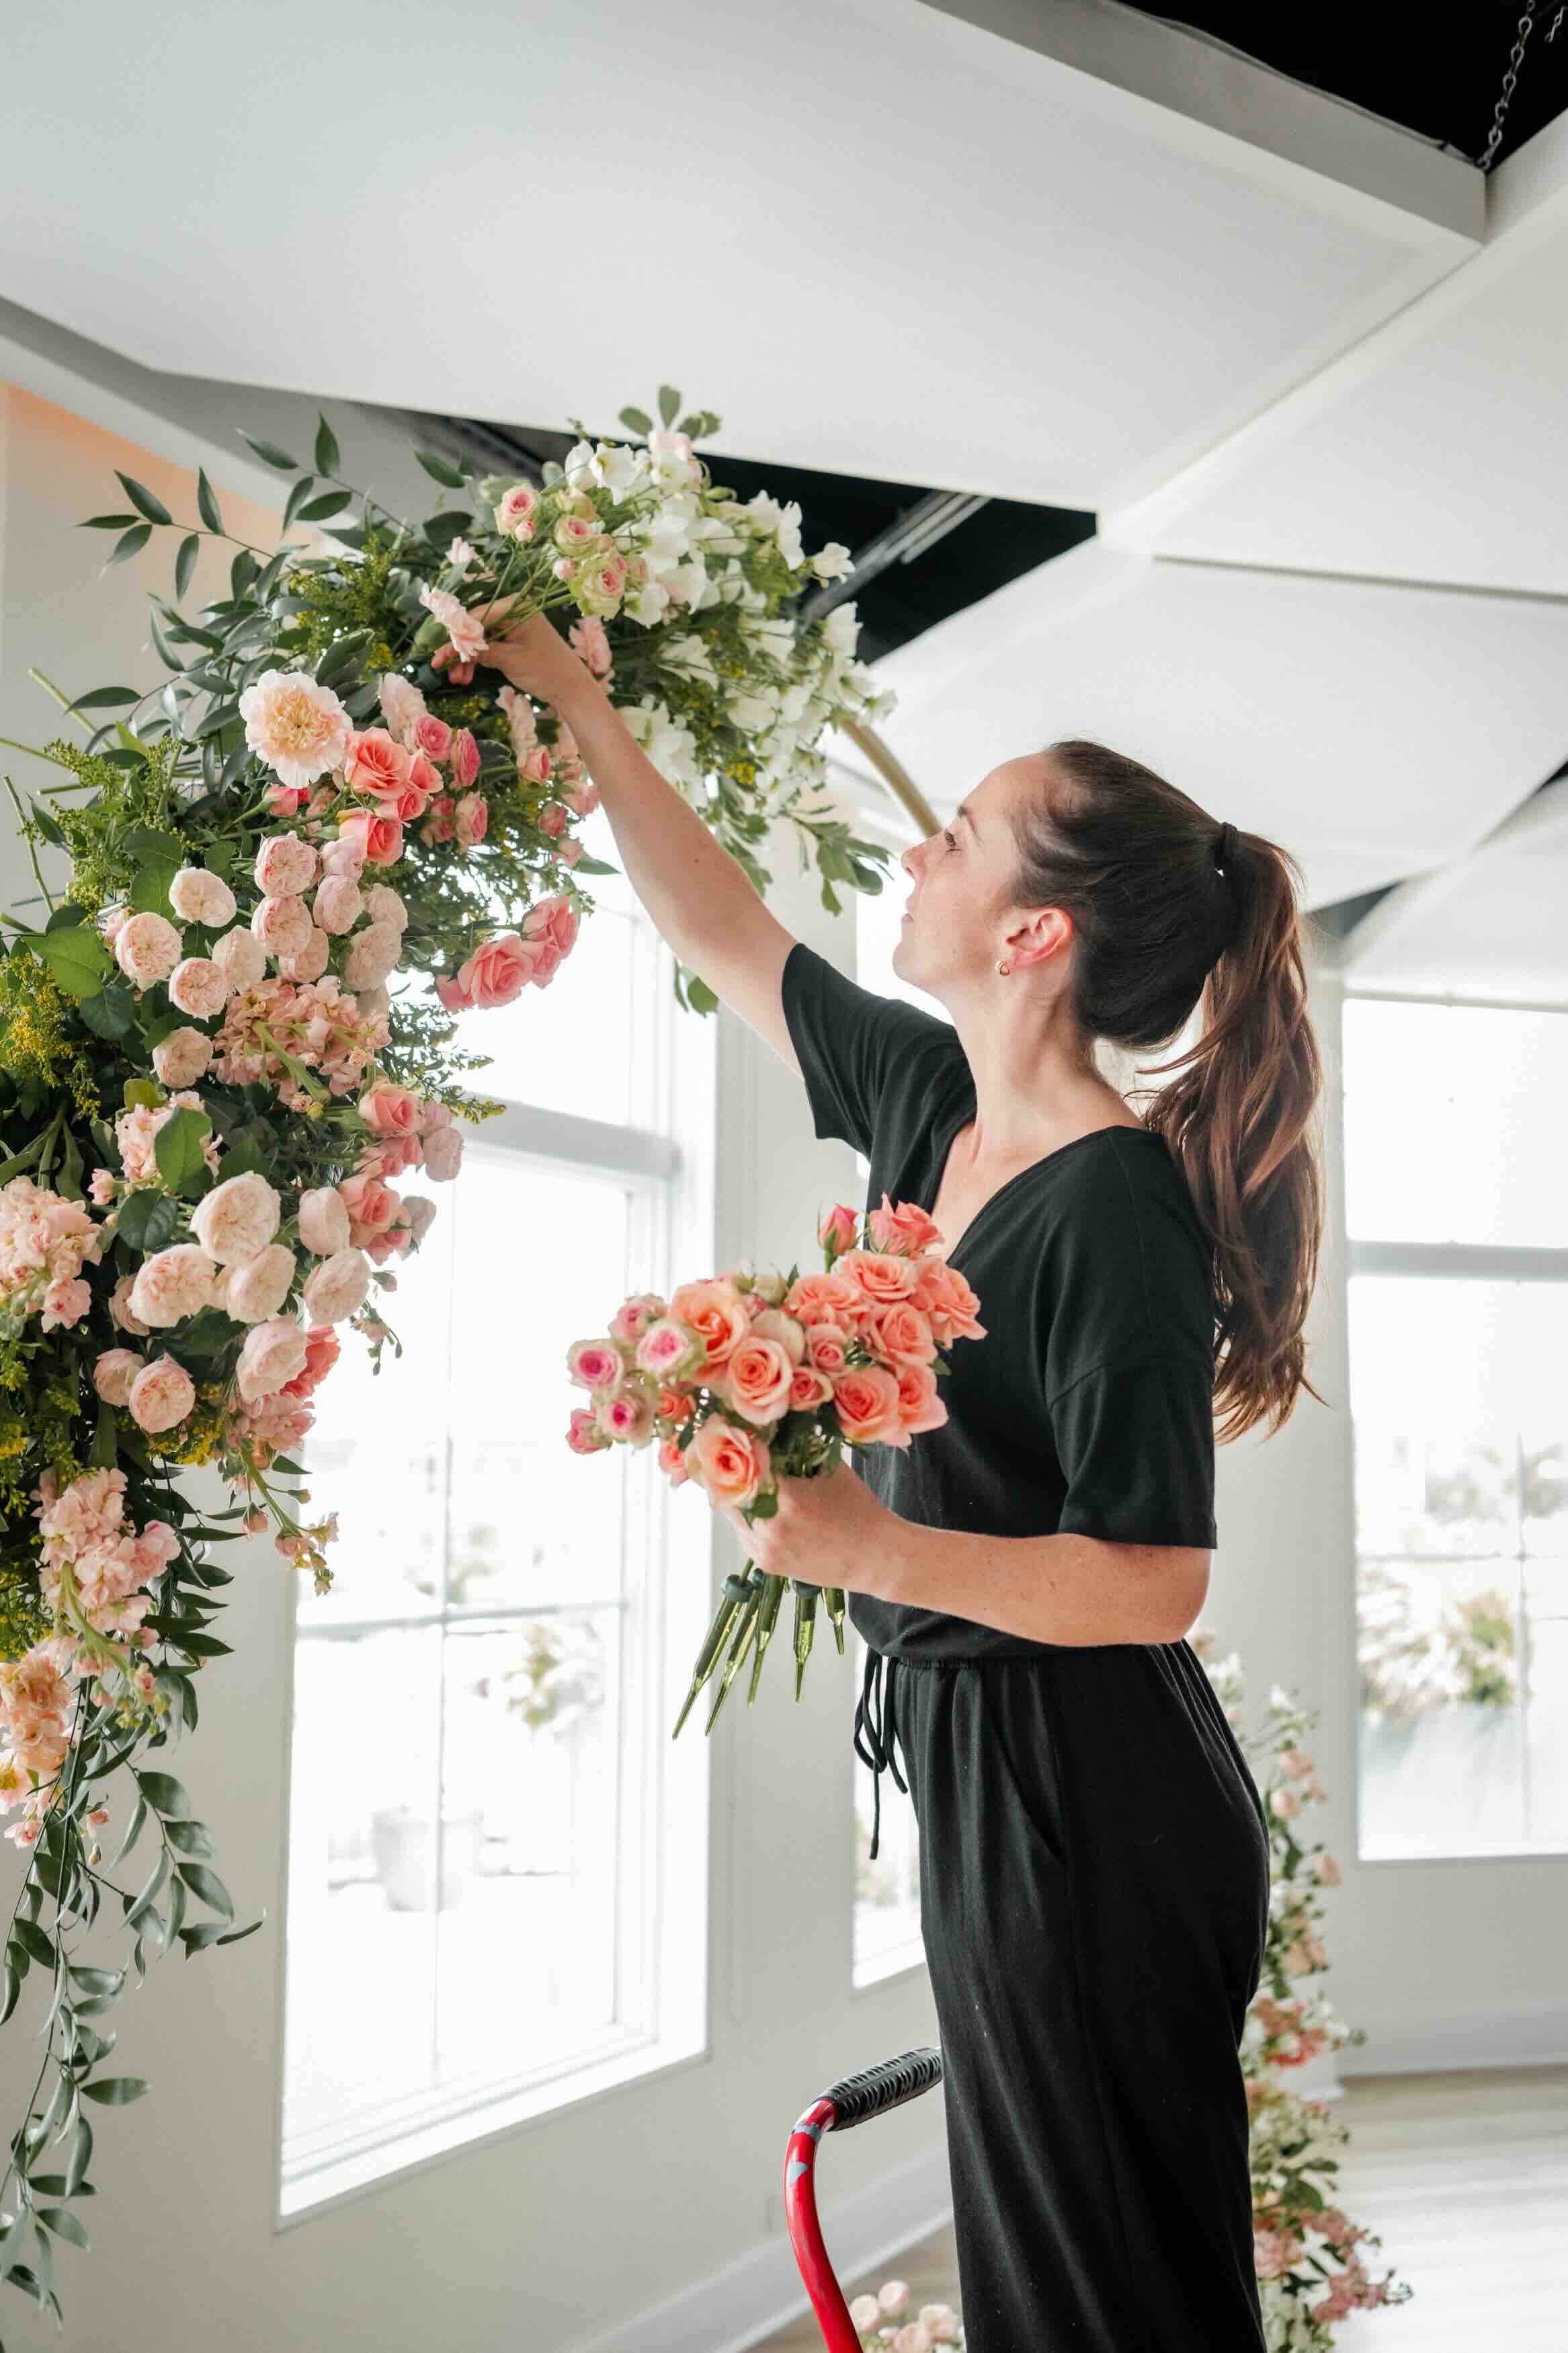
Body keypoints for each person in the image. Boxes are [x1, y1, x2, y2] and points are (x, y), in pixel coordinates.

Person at [479, 606, 1327, 2353]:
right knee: (1050, 2278)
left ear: (1032, 929)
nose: (917, 848)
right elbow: (724, 929)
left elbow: (1158, 1573)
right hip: (996, 1771)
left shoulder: (1115, 1209)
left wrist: (870, 1543)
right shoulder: (931, 1098)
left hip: (1090, 1799)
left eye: (959, 832)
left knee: (1112, 2301)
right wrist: (574, 701)